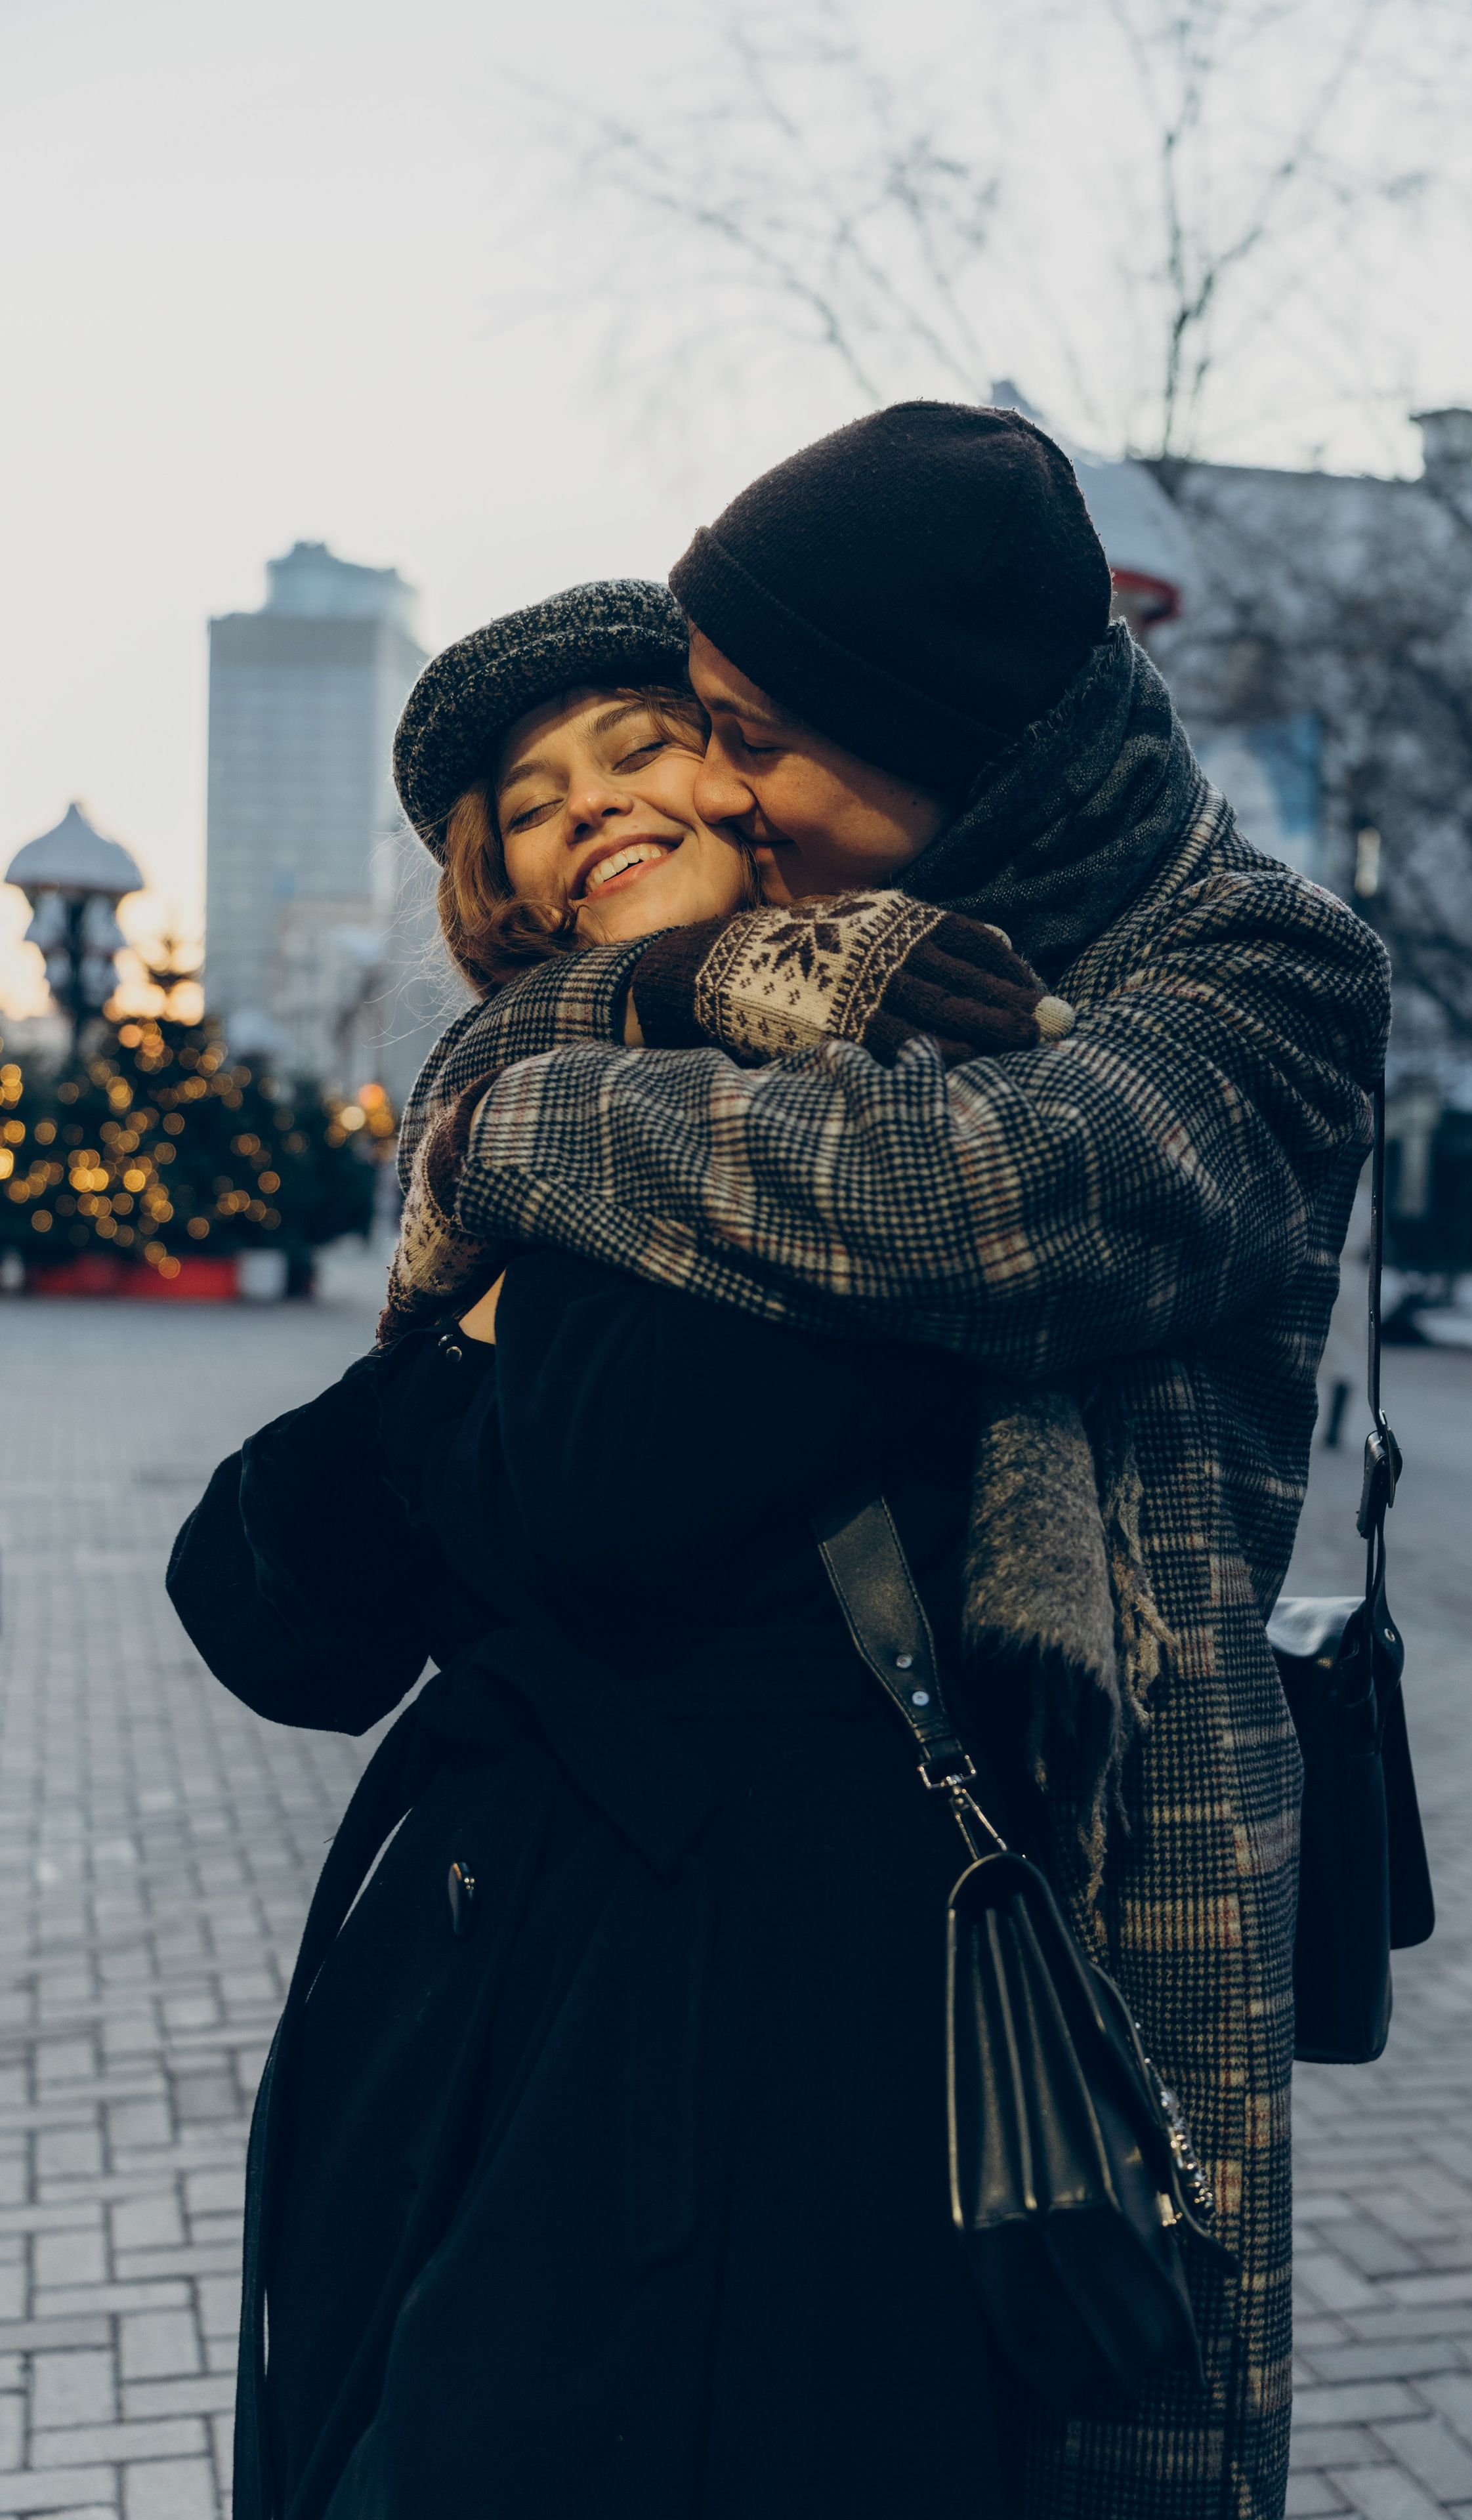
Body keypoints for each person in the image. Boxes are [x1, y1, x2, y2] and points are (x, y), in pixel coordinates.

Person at [394, 401, 1392, 2520]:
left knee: (1094, 2425)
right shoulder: (830, 959)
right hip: (805, 1913)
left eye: (750, 732)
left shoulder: (1263, 968)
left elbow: (995, 1198)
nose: (718, 784)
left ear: (937, 728)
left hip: (1103, 1861)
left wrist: (527, 1121)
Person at [170, 581, 1072, 2520]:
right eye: (528, 795)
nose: (583, 803)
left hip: (767, 1996)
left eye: (635, 744)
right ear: (502, 879)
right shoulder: (507, 1122)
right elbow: (266, 1618)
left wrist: (501, 1270)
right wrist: (490, 1286)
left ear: (749, 777)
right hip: (484, 1986)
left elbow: (606, 1505)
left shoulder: (892, 1057)